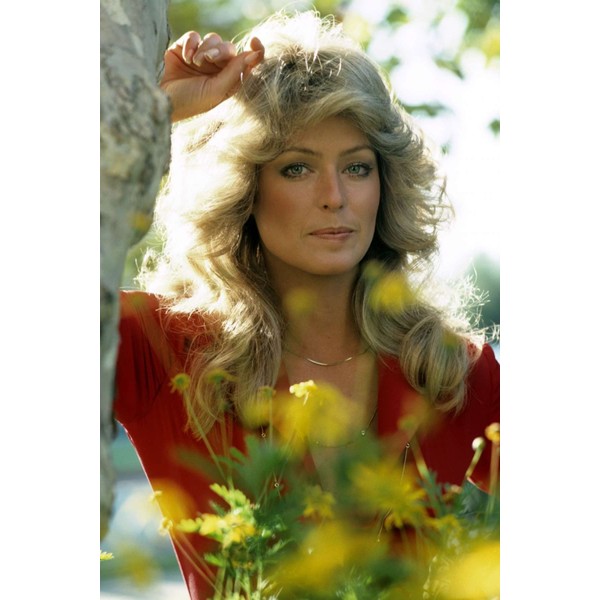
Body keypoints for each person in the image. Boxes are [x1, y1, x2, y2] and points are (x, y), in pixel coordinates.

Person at [112, 10, 499, 599]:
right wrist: (145, 113)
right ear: (245, 187)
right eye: (297, 168)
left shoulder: (456, 375)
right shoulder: (163, 351)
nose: (334, 196)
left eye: (357, 167)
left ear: (384, 184)